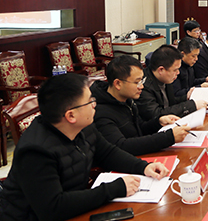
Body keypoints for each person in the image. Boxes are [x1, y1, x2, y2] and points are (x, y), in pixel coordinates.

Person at [0, 73, 169, 221]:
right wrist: (114, 189)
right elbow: (53, 208)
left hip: (76, 207)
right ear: (71, 115)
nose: (95, 105)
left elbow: (108, 153)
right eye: (90, 101)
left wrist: (143, 167)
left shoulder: (83, 126)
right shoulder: (35, 152)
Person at [91, 55, 192, 156]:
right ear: (118, 84)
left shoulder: (127, 100)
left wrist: (159, 122)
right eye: (137, 82)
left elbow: (140, 128)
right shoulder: (100, 112)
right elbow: (121, 146)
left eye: (141, 81)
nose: (142, 86)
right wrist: (169, 137)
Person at [136, 44, 207, 121]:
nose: (178, 73)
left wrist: (185, 97)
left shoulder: (165, 78)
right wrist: (190, 106)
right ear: (161, 70)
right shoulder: (143, 86)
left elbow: (170, 103)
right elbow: (157, 114)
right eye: (175, 70)